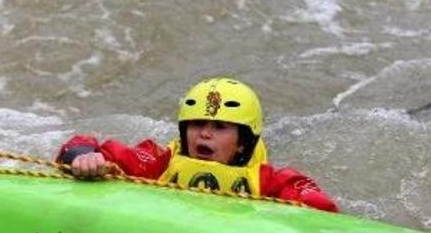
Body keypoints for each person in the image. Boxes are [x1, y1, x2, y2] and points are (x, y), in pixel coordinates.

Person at [55, 78, 338, 212]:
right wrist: (85, 157)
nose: (204, 134)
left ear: (242, 143)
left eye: (219, 127)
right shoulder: (157, 162)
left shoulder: (265, 180)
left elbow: (315, 199)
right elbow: (81, 145)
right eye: (196, 124)